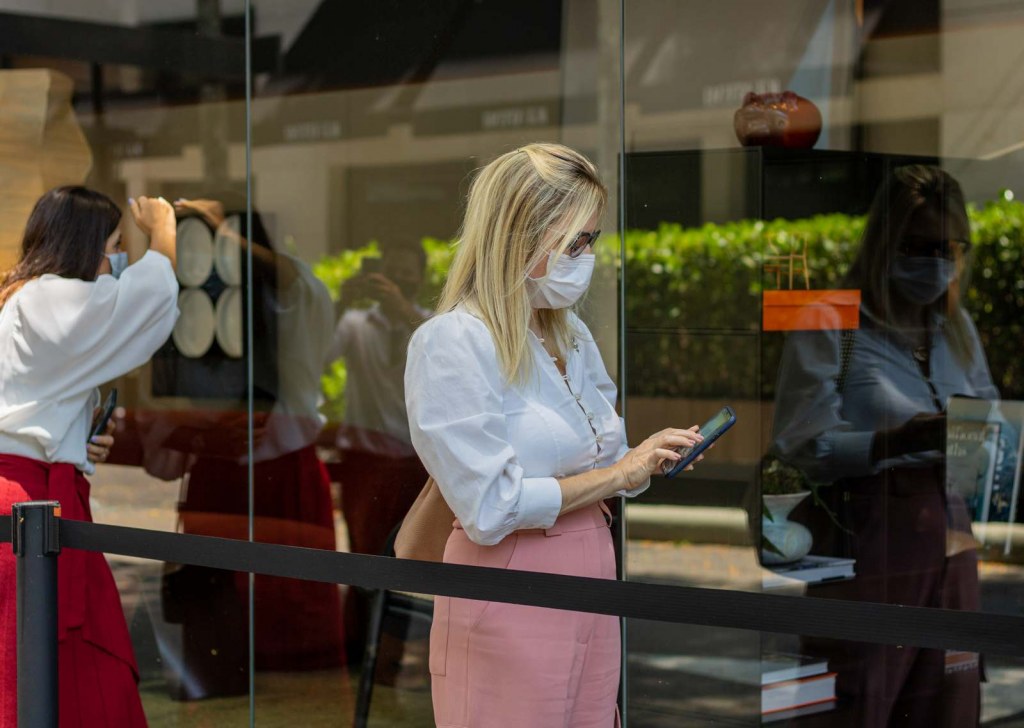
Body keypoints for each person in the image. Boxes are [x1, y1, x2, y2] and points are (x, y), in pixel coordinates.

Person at [404, 143, 705, 728]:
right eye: (575, 242)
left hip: (591, 570)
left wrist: (648, 459)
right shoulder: (454, 341)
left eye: (592, 240)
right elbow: (490, 508)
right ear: (518, 234)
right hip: (510, 581)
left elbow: (606, 458)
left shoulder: (570, 335)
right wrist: (619, 473)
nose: (587, 256)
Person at [772, 165, 995, 727]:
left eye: (947, 248)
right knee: (860, 697)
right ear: (885, 244)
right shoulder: (834, 321)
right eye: (918, 246)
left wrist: (987, 440)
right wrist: (896, 441)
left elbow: (989, 418)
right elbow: (800, 442)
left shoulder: (956, 327)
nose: (934, 262)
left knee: (950, 699)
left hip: (952, 534)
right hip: (870, 536)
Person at [0, 187, 179, 727]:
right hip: (30, 499)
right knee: (56, 667)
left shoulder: (18, 297)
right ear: (86, 246)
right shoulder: (47, 298)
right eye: (115, 245)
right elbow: (144, 306)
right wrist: (164, 233)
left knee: (33, 664)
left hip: (30, 489)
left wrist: (77, 438)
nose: (116, 259)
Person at [327, 242, 431, 662]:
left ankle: (390, 656)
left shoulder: (431, 327)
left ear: (421, 278)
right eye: (392, 271)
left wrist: (403, 310)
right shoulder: (354, 324)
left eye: (407, 272)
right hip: (365, 462)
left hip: (415, 464)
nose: (398, 279)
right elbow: (316, 358)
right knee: (363, 557)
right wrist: (339, 303)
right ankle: (357, 653)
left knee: (407, 561)